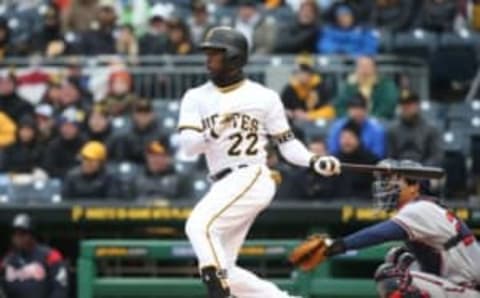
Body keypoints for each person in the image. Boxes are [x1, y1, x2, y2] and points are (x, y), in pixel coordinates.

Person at [178, 26, 340, 298]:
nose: (208, 60)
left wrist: (314, 160)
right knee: (226, 266)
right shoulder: (195, 97)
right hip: (221, 183)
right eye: (207, 53)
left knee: (198, 225)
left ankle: (218, 291)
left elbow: (287, 145)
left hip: (251, 174)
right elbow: (189, 147)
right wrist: (214, 131)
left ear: (233, 57)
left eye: (215, 54)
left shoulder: (263, 96)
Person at [292, 159, 480, 298]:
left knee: (393, 278)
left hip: (468, 289)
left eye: (395, 181)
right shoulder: (426, 207)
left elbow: (379, 234)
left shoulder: (421, 209)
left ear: (414, 187)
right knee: (398, 258)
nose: (388, 185)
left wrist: (335, 246)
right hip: (457, 284)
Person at [0, 213, 68, 298]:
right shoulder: (7, 259)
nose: (17, 238)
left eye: (22, 234)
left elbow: (60, 290)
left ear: (32, 235)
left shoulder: (50, 255)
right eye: (15, 234)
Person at [388, 93, 443, 167]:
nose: (406, 108)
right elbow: (390, 157)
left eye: (410, 105)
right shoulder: (393, 131)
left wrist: (421, 169)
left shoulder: (430, 130)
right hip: (400, 172)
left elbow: (436, 157)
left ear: (417, 106)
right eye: (404, 105)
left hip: (424, 172)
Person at [328, 94, 386, 159]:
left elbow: (378, 155)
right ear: (348, 110)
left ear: (367, 110)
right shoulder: (338, 127)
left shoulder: (376, 129)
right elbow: (332, 152)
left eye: (360, 109)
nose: (357, 112)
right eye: (354, 109)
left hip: (367, 163)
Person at [110, 100, 167, 164]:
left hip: (153, 168)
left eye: (146, 113)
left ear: (152, 115)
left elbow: (165, 157)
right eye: (140, 113)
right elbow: (121, 159)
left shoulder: (161, 136)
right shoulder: (126, 136)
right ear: (134, 115)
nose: (143, 116)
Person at [332, 120, 379, 198]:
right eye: (343, 137)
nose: (346, 141)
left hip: (364, 206)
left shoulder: (371, 161)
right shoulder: (334, 160)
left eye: (350, 137)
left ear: (358, 139)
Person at [281, 56, 335, 122]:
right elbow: (282, 107)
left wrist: (308, 116)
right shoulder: (290, 88)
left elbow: (328, 109)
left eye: (305, 72)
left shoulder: (319, 86)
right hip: (295, 121)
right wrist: (290, 112)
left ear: (311, 74)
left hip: (315, 119)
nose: (303, 76)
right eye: (300, 72)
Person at [43, 108, 86, 178]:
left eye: (71, 126)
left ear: (77, 128)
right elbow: (49, 168)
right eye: (65, 126)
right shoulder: (54, 145)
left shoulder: (84, 145)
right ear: (60, 127)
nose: (68, 129)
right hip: (58, 179)